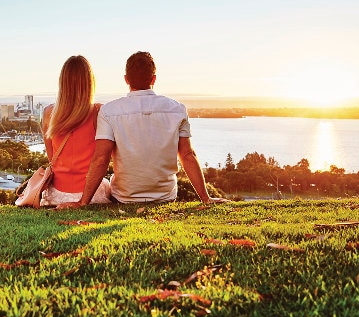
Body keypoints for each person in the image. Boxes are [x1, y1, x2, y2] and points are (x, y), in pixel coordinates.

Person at [57, 51, 227, 209]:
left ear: (126, 79)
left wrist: (82, 202)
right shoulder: (177, 109)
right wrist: (206, 198)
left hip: (124, 198)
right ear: (153, 79)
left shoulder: (109, 111)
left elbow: (101, 159)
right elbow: (188, 156)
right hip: (166, 197)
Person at [39, 55, 111, 206]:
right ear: (90, 82)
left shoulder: (48, 113)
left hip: (56, 193)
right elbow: (102, 159)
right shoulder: (99, 112)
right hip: (90, 194)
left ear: (62, 82)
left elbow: (52, 159)